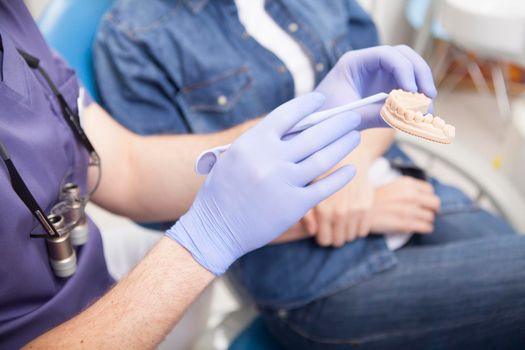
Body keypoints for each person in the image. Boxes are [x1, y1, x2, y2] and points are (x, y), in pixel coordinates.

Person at [0, 1, 440, 348]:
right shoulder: (138, 33)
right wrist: (207, 236)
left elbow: (125, 164)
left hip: (100, 292)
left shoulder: (11, 21)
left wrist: (320, 122)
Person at [94, 0, 525, 349]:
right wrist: (351, 204)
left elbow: (385, 99)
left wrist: (350, 169)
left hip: (403, 194)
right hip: (313, 276)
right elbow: (172, 207)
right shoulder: (136, 37)